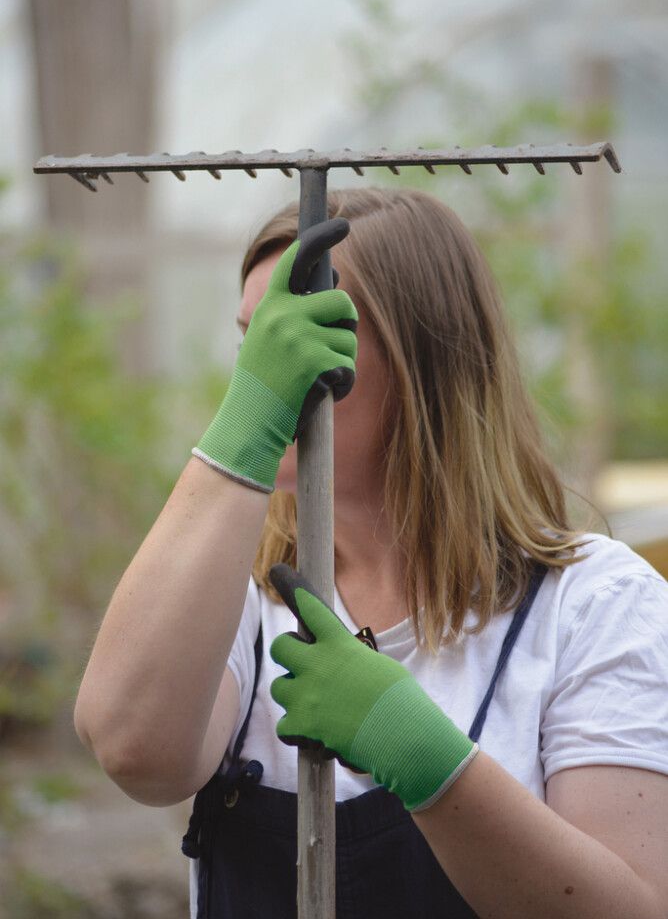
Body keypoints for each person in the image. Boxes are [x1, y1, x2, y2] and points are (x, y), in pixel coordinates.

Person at [74, 188, 668, 919]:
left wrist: (423, 759)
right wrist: (248, 423)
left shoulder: (592, 605)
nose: (275, 368)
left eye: (308, 337)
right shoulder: (236, 597)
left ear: (425, 362)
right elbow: (136, 752)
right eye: (256, 345)